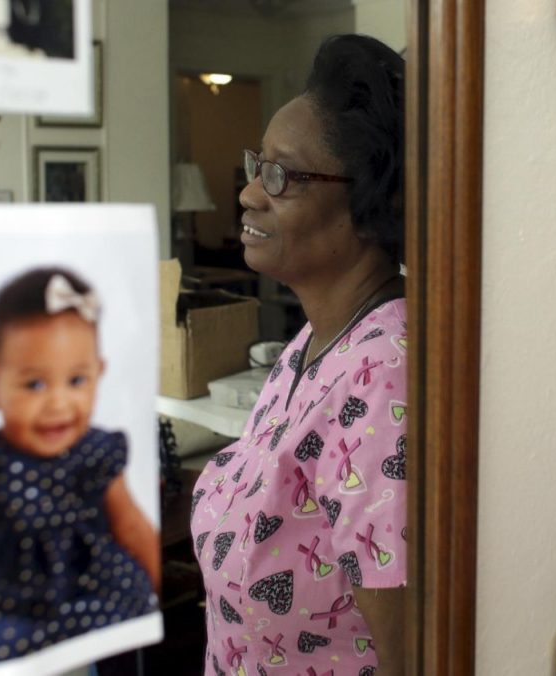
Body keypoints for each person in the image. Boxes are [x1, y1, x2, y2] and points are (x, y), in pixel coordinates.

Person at [189, 34, 408, 675]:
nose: (249, 194)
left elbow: (410, 656)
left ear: (367, 206)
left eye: (280, 176)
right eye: (257, 165)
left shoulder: (385, 378)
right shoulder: (308, 348)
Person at [0, 267, 160, 675]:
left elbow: (130, 525)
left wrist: (152, 590)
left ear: (99, 375)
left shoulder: (94, 451)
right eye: (34, 385)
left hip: (79, 600)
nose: (58, 403)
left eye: (76, 380)